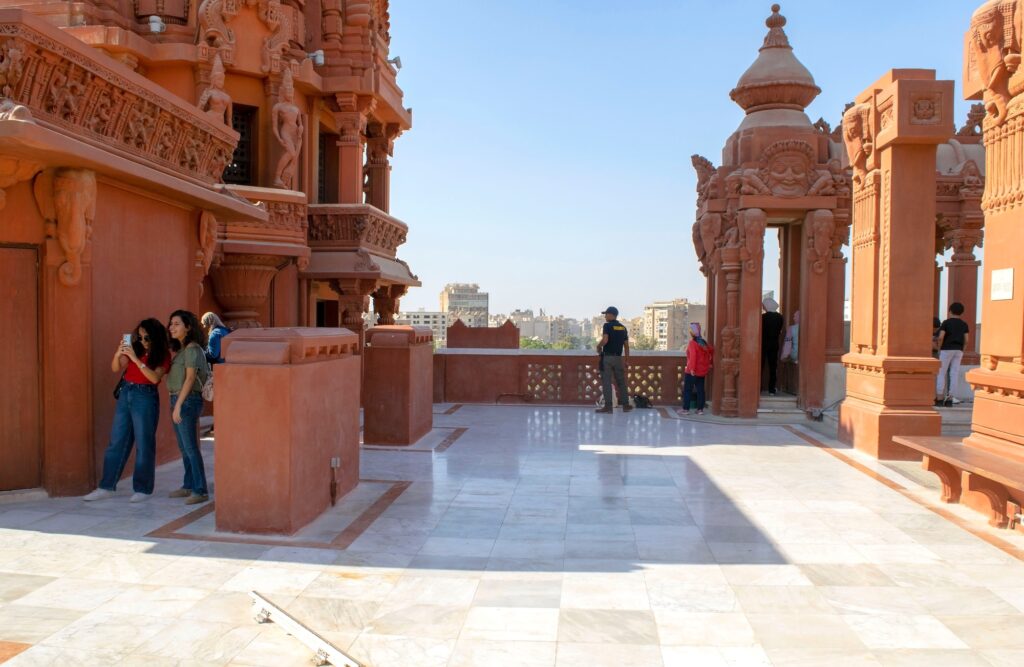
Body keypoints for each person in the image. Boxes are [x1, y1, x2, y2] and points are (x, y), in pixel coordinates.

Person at [84, 319, 171, 502]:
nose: (142, 340)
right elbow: (116, 367)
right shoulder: (136, 349)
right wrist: (118, 353)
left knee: (143, 443)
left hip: (145, 396)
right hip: (126, 393)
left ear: (154, 337)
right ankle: (106, 486)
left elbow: (154, 378)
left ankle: (143, 488)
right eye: (138, 336)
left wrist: (136, 360)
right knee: (117, 440)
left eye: (146, 337)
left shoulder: (163, 355)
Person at [167, 310, 212, 504]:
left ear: (188, 327)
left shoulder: (193, 349)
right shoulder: (183, 350)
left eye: (177, 324)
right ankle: (188, 485)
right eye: (171, 324)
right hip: (179, 399)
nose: (172, 327)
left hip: (186, 400)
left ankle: (200, 490)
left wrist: (178, 406)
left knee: (191, 447)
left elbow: (191, 378)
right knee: (184, 447)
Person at [595, 306, 632, 414]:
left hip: (607, 357)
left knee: (606, 382)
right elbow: (626, 346)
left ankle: (608, 407)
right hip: (618, 358)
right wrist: (627, 360)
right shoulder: (623, 328)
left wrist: (598, 346)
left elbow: (605, 339)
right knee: (621, 382)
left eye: (606, 314)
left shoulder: (607, 325)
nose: (605, 316)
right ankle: (625, 405)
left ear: (612, 315)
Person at [936, 302, 970, 407]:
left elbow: (941, 337)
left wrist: (939, 348)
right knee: (954, 374)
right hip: (958, 350)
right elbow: (966, 340)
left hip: (946, 349)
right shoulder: (964, 324)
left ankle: (939, 398)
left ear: (950, 311)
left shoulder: (946, 323)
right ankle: (950, 399)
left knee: (941, 373)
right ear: (961, 312)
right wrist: (962, 350)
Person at [682, 323, 714, 416]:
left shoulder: (692, 343)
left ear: (691, 332)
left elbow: (693, 357)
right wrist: (709, 364)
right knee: (700, 390)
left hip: (692, 371)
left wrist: (691, 369)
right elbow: (711, 350)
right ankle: (700, 410)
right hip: (702, 371)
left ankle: (686, 409)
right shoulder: (703, 342)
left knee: (688, 390)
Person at [761, 298, 785, 396]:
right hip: (774, 344)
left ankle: (758, 387)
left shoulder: (763, 317)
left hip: (763, 344)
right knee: (773, 366)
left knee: (760, 366)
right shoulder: (780, 317)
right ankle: (771, 389)